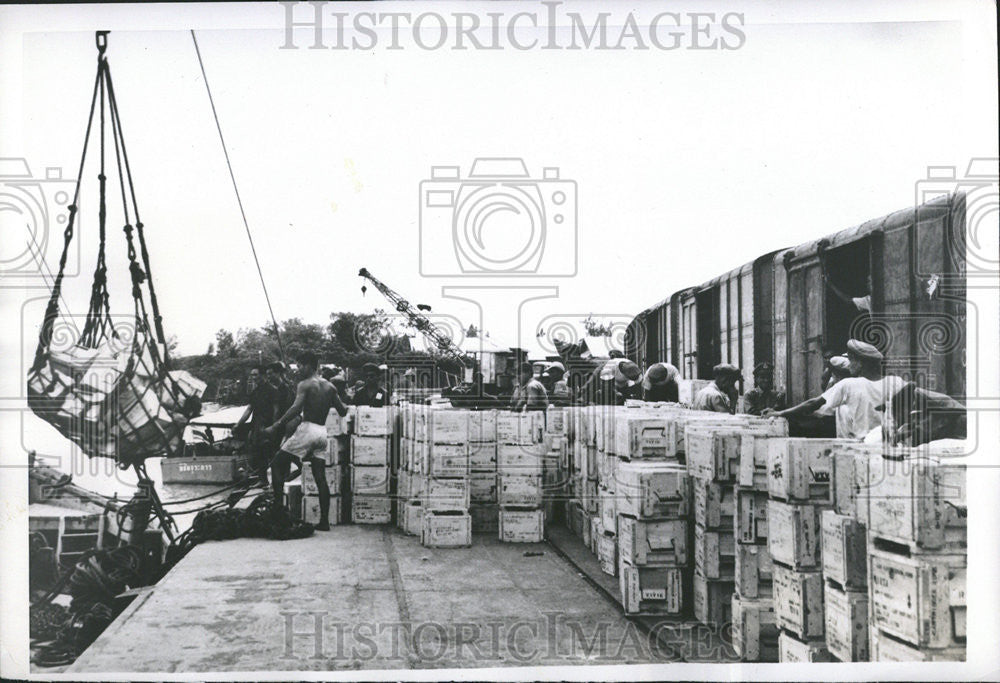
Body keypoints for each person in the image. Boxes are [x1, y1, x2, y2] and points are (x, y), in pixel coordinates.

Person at [264, 352, 349, 530]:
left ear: (310, 365)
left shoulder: (304, 384)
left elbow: (296, 408)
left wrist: (277, 424)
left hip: (308, 429)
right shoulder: (330, 386)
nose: (299, 369)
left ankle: (279, 512)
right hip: (322, 433)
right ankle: (324, 522)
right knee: (320, 477)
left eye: (301, 365)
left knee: (276, 463)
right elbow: (342, 411)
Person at [764, 339, 904, 440]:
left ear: (860, 363)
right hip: (888, 445)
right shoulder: (895, 382)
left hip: (862, 447)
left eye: (852, 360)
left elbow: (813, 403)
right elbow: (919, 393)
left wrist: (779, 413)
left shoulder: (848, 385)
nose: (849, 366)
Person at [233, 362, 286, 485]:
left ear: (263, 375)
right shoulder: (255, 392)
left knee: (272, 454)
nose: (253, 377)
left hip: (269, 426)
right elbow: (249, 409)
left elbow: (276, 409)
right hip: (257, 426)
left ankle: (277, 483)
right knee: (258, 454)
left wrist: (274, 426)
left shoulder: (273, 390)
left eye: (255, 375)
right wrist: (238, 424)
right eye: (252, 375)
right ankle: (263, 480)